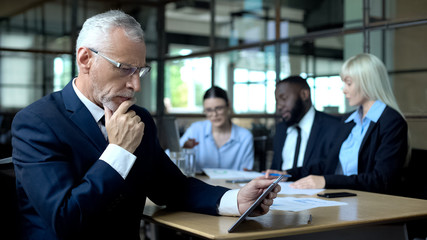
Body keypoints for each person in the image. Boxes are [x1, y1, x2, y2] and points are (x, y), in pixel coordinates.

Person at [11, 10, 280, 240]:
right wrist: (119, 152)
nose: (136, 85)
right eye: (124, 68)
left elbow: (172, 188)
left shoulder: (138, 119)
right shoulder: (37, 123)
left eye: (140, 70)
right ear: (85, 60)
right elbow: (65, 220)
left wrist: (236, 200)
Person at [266, 53, 408, 194]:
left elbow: (382, 180)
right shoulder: (349, 121)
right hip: (343, 199)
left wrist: (326, 181)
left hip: (372, 203)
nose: (344, 89)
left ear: (367, 81)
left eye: (349, 83)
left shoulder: (391, 122)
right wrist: (287, 174)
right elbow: (326, 165)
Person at [268, 76, 340, 174]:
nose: (279, 106)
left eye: (284, 98)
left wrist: (291, 175)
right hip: (280, 188)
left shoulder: (333, 127)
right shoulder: (281, 129)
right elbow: (275, 170)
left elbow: (328, 169)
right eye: (277, 101)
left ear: (304, 94)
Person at [180, 86, 254, 172]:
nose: (214, 114)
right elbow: (170, 157)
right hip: (200, 184)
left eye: (219, 108)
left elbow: (246, 173)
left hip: (232, 185)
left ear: (228, 105)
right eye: (208, 110)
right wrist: (184, 151)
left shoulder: (245, 137)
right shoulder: (195, 130)